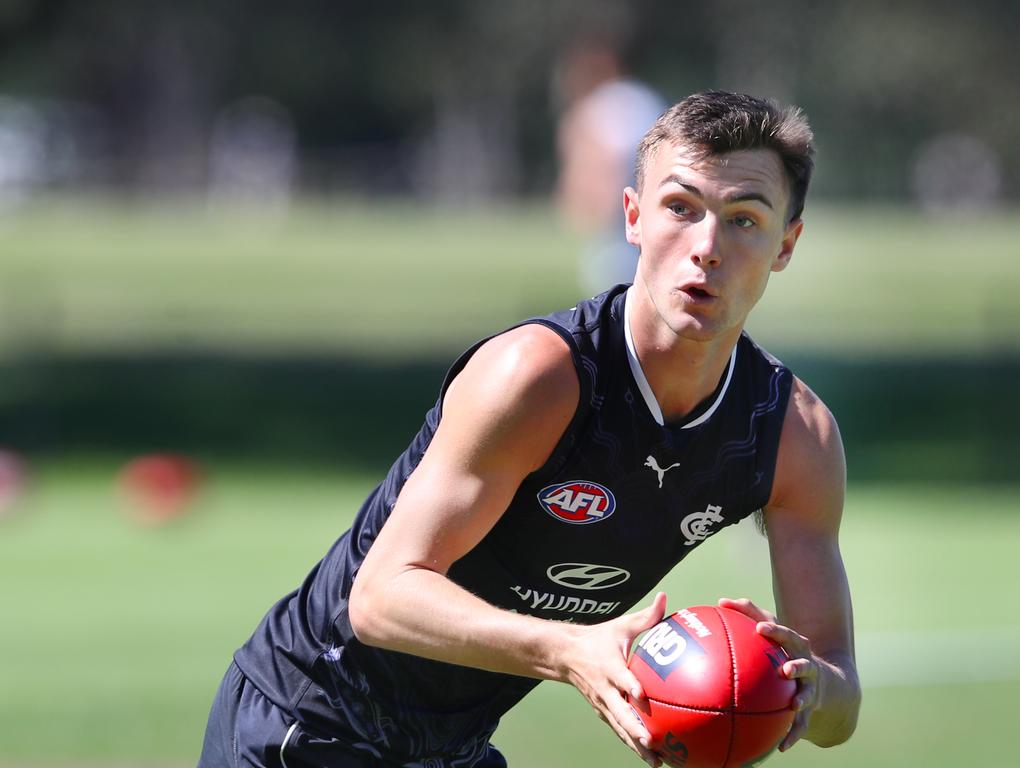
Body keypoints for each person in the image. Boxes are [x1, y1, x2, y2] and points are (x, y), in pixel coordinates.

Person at [198, 90, 861, 768]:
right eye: (680, 208)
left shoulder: (792, 437)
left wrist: (805, 693)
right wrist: (571, 648)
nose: (706, 247)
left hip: (450, 750)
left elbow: (840, 695)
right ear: (632, 217)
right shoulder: (538, 377)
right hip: (304, 722)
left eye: (744, 219)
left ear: (787, 244)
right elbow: (380, 596)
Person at [554, 35, 665, 295]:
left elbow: (613, 161)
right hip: (652, 209)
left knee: (614, 292)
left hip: (623, 219)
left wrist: (595, 204)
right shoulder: (643, 97)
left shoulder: (608, 103)